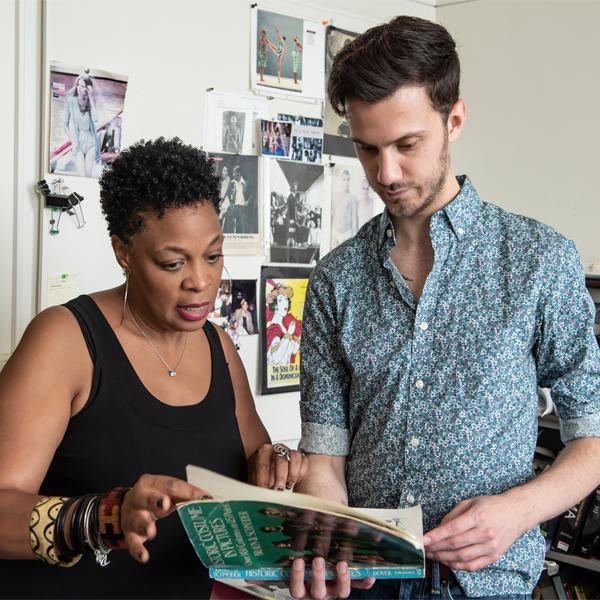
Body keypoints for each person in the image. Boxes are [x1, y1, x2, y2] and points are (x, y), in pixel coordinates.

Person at [293, 15, 600, 600]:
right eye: (367, 148)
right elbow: (325, 459)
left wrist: (516, 512)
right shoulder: (335, 280)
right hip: (367, 582)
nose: (386, 173)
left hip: (489, 583)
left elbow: (594, 436)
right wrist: (327, 535)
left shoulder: (540, 261)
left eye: (407, 145)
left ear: (454, 119)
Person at [0, 137, 308, 598]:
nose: (201, 282)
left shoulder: (220, 347)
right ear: (123, 252)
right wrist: (107, 517)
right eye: (172, 262)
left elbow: (255, 473)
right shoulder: (65, 341)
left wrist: (277, 466)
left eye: (212, 255)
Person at [63, 71, 101, 178]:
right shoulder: (71, 101)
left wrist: (91, 97)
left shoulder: (91, 103)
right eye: (78, 85)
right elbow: (64, 125)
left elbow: (95, 119)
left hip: (90, 144)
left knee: (88, 177)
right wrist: (73, 142)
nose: (79, 88)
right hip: (77, 143)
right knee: (82, 176)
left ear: (88, 89)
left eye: (83, 86)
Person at [331, 169, 359, 249]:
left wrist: (354, 238)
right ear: (341, 181)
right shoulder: (336, 196)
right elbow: (332, 214)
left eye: (348, 179)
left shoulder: (352, 198)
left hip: (347, 234)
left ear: (350, 181)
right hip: (335, 232)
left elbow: (354, 219)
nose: (346, 182)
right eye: (344, 179)